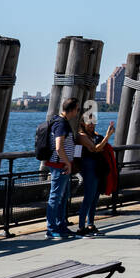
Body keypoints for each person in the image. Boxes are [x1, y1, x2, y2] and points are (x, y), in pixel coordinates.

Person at [43, 98, 81, 239]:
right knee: (55, 197)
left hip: (62, 165)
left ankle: (61, 225)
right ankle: (51, 228)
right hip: (60, 166)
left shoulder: (61, 122)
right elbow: (59, 147)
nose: (78, 112)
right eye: (77, 109)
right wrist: (68, 163)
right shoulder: (61, 124)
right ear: (71, 109)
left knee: (62, 197)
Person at [73, 109, 115, 236]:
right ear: (82, 123)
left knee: (95, 197)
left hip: (97, 169)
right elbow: (95, 149)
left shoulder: (93, 135)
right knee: (88, 197)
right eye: (88, 122)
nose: (91, 124)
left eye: (93, 122)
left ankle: (90, 224)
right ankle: (81, 228)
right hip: (88, 168)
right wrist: (107, 136)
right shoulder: (81, 136)